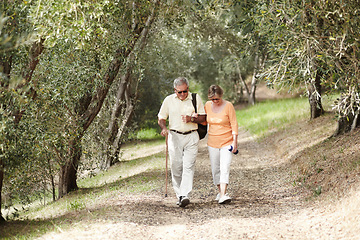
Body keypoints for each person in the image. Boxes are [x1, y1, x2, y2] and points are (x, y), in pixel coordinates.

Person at [158, 77, 206, 207]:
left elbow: (203, 117)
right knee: (176, 167)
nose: (183, 94)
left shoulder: (195, 98)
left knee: (188, 166)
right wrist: (164, 128)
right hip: (175, 137)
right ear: (175, 90)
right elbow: (161, 117)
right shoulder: (168, 100)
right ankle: (179, 194)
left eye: (185, 91)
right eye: (180, 92)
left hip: (191, 136)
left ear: (188, 89)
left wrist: (191, 119)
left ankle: (185, 195)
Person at [204, 85, 238, 204]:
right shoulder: (207, 105)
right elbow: (204, 120)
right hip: (212, 142)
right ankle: (220, 192)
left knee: (225, 167)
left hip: (227, 141)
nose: (215, 101)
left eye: (217, 99)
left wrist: (235, 142)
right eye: (212, 99)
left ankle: (223, 194)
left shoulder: (228, 106)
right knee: (215, 169)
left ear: (221, 96)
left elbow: (234, 124)